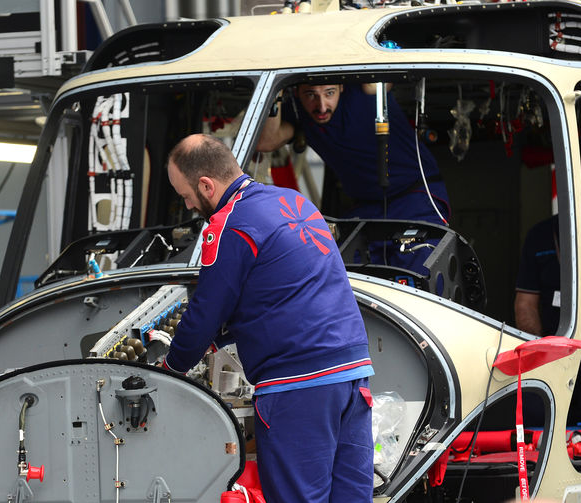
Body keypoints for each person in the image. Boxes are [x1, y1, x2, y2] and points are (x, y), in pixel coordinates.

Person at [162, 134, 375, 503]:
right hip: (353, 375)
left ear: (206, 185)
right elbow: (280, 294)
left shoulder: (231, 223)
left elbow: (204, 314)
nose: (188, 204)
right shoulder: (293, 201)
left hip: (299, 385)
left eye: (186, 196)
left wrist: (169, 369)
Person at [257, 83, 450, 275]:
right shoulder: (299, 113)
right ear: (297, 92)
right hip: (366, 206)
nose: (322, 106)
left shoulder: (364, 88)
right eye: (310, 95)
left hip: (415, 197)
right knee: (343, 271)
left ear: (342, 87)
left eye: (329, 93)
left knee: (417, 274)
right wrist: (276, 89)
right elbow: (267, 141)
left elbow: (381, 73)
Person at [514, 156, 581, 425]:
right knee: (534, 410)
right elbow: (525, 304)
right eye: (568, 177)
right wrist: (541, 351)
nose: (574, 184)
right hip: (556, 357)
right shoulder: (540, 235)